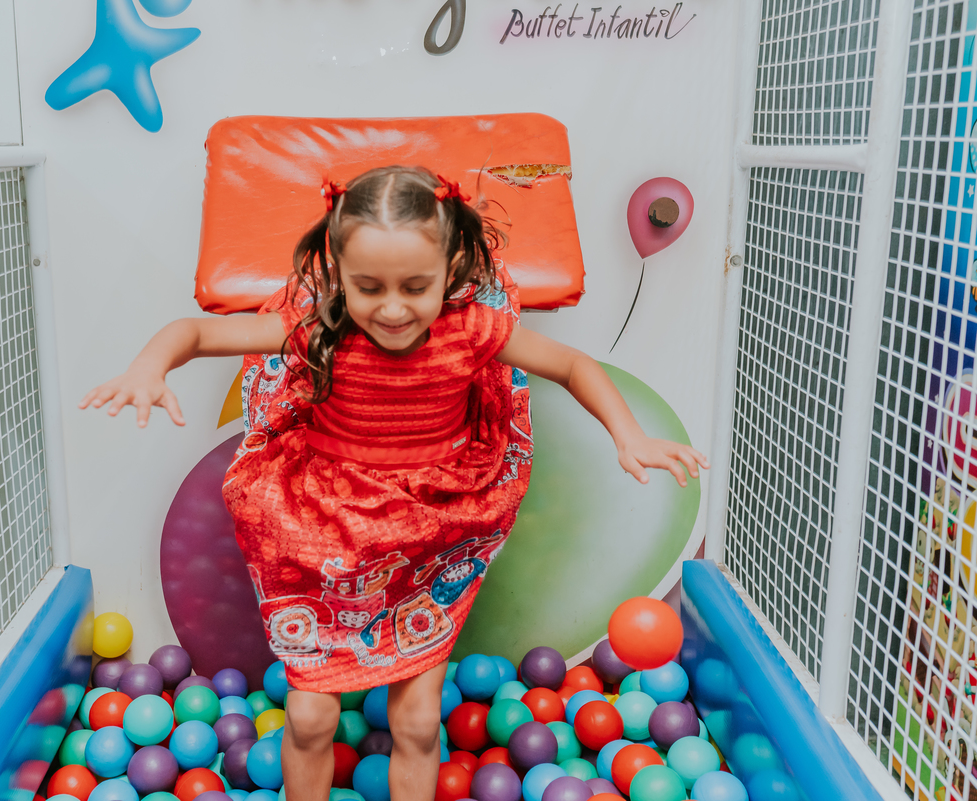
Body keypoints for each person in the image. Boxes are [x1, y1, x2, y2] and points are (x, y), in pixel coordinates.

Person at [80, 165, 708, 801]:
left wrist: (629, 435)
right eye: (368, 286)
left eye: (416, 286)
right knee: (310, 715)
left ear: (450, 270)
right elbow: (195, 331)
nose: (393, 307)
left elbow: (572, 365)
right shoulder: (319, 331)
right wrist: (148, 368)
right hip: (328, 536)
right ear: (338, 272)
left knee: (414, 718)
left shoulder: (468, 332)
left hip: (429, 537)